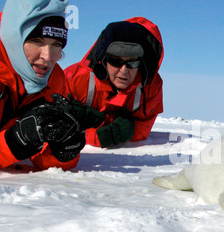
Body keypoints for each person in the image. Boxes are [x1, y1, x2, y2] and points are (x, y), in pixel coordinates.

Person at [0, 0, 100, 170]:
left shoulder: (54, 81)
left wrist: (65, 149)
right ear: (13, 38)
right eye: (37, 40)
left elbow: (43, 159)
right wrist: (15, 142)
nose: (48, 56)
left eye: (57, 44)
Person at [65, 17, 164, 148]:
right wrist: (103, 129)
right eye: (116, 61)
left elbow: (142, 129)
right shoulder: (74, 78)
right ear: (104, 59)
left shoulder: (151, 87)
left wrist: (108, 134)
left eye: (132, 62)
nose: (124, 70)